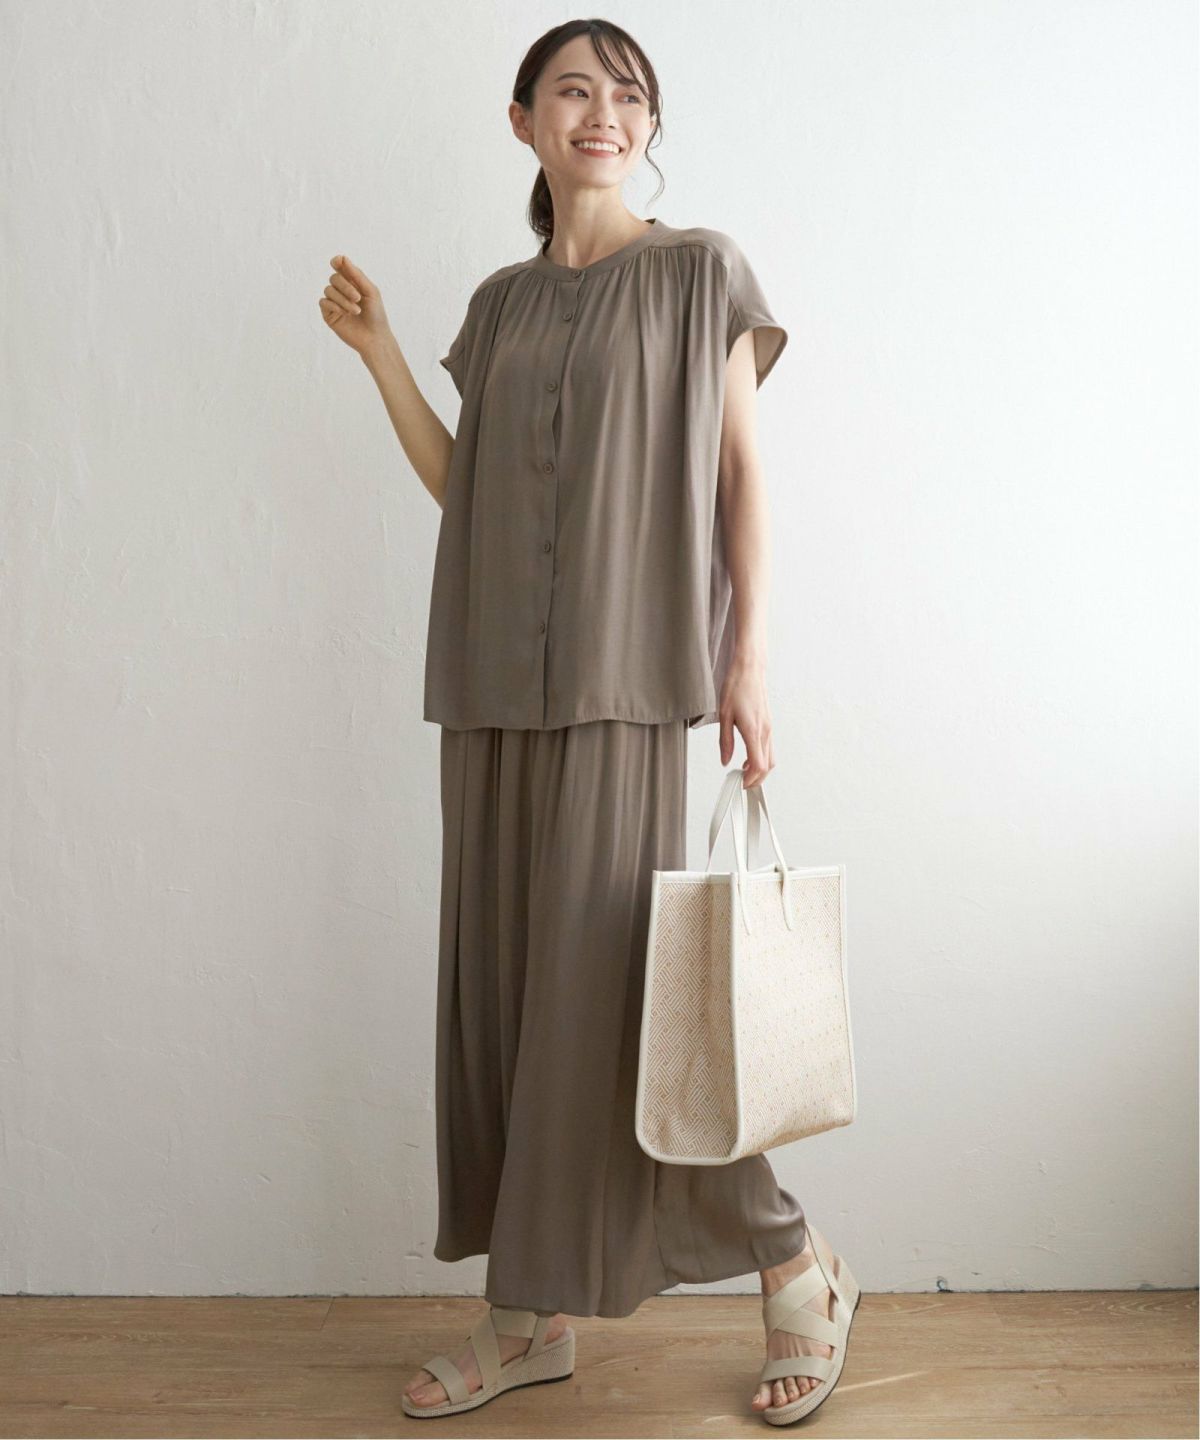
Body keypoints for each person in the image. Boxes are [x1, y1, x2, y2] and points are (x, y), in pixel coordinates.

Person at [318, 16, 855, 1425]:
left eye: (627, 93)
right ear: (524, 123)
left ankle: (795, 1266)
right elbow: (471, 486)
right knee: (503, 999)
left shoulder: (699, 273)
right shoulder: (497, 307)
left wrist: (746, 661)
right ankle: (529, 1313)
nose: (603, 111)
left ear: (647, 125)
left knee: (622, 1006)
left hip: (629, 679)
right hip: (490, 681)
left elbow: (741, 474)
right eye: (573, 90)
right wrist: (380, 353)